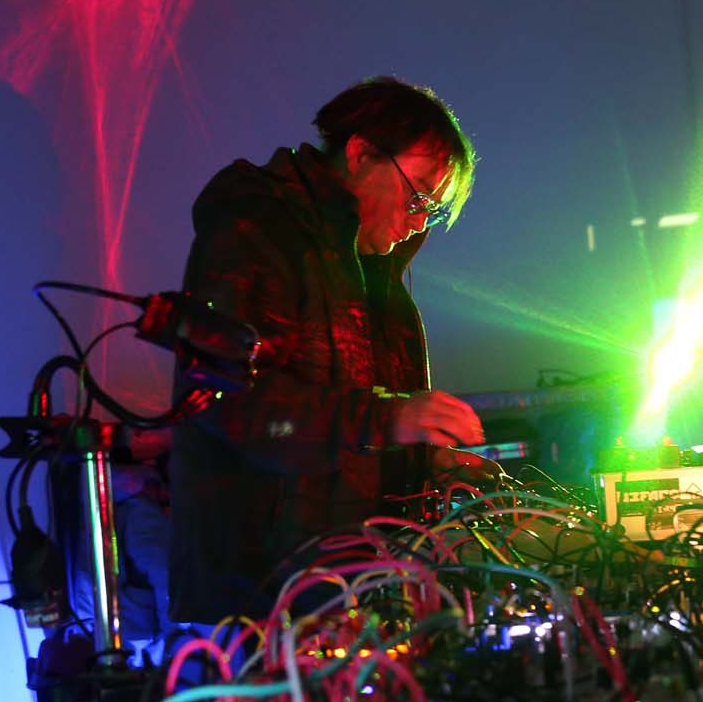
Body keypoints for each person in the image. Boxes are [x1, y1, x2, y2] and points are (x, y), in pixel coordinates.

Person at [165, 77, 490, 626]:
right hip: (259, 601)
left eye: (432, 212)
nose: (418, 221)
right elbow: (232, 401)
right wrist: (388, 419)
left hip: (355, 588)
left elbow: (359, 427)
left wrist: (425, 461)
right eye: (417, 196)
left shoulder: (375, 272)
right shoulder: (256, 228)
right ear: (360, 154)